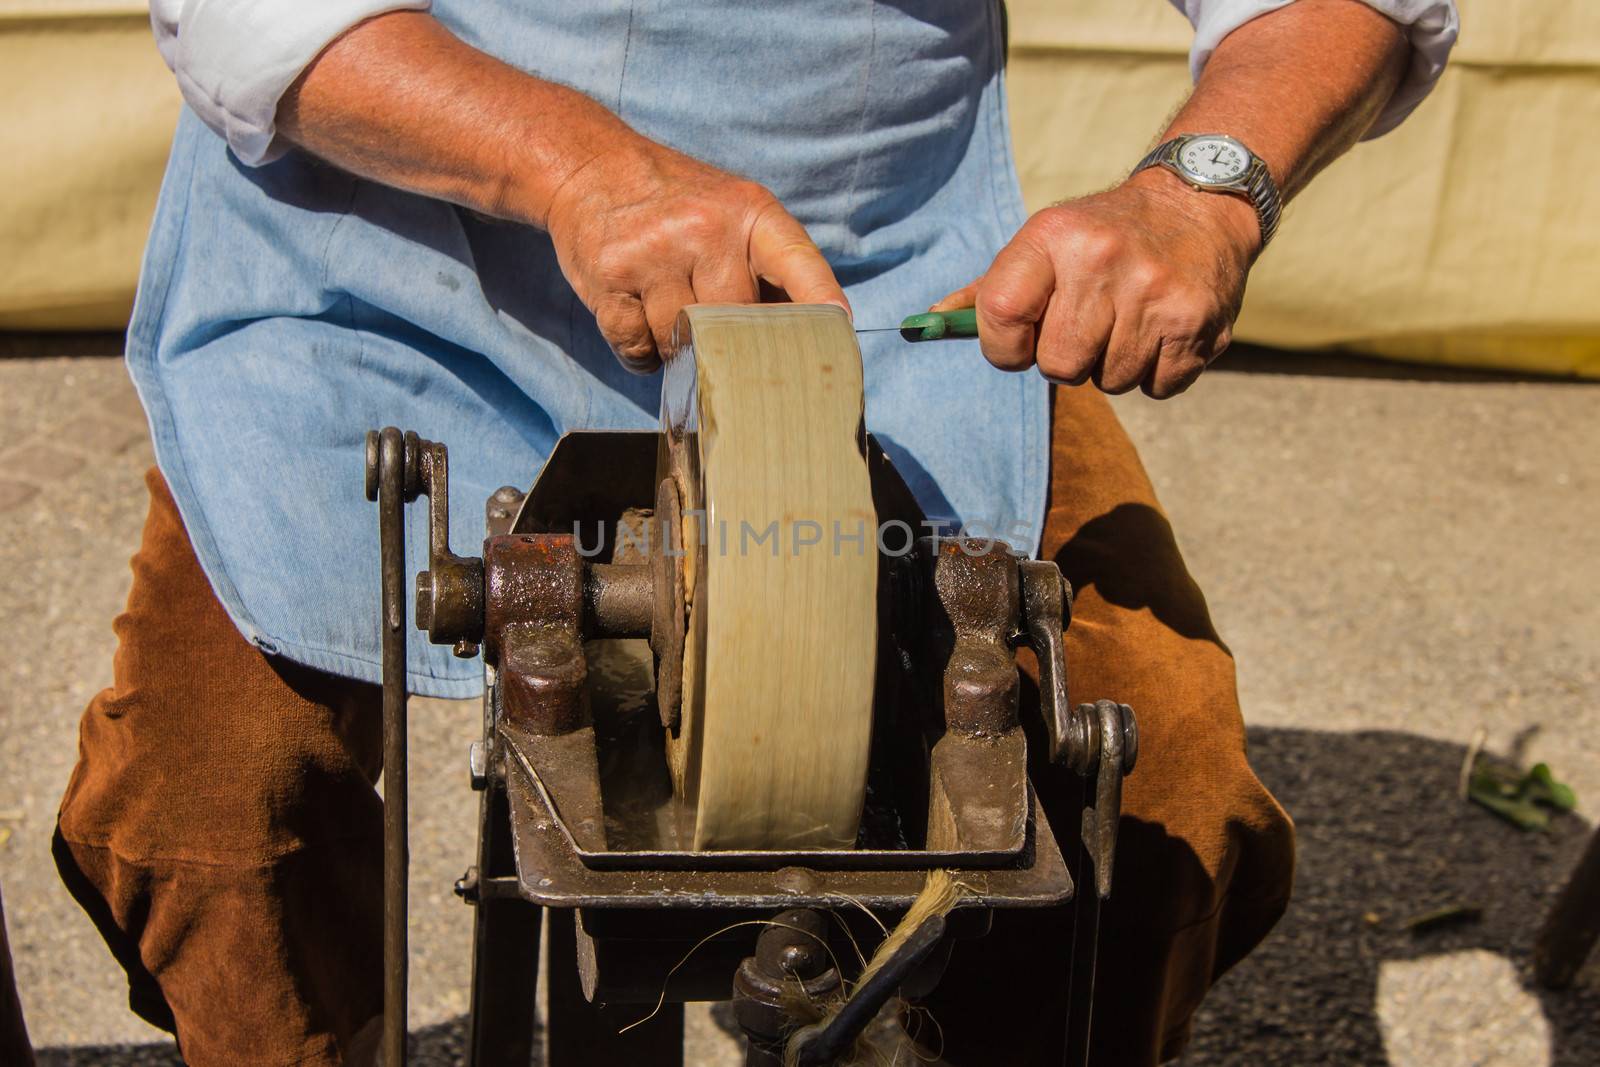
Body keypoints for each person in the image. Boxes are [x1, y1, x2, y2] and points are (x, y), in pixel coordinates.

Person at [51, 1, 1457, 1064]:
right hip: (387, 265)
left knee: (1156, 797)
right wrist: (574, 167)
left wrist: (1203, 186)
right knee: (208, 805)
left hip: (857, 290)